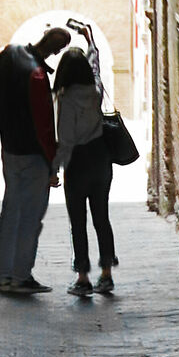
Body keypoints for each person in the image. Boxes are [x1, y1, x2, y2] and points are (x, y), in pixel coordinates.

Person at [0, 26, 70, 295]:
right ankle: (20, 275)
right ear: (56, 50)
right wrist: (52, 165)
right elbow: (44, 126)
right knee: (30, 216)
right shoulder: (38, 76)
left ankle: (4, 275)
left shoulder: (10, 53)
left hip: (10, 150)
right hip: (33, 156)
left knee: (10, 211)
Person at [52, 45, 118, 297]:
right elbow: (96, 70)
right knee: (102, 217)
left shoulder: (67, 99)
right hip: (100, 158)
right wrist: (92, 47)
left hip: (78, 163)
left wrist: (54, 169)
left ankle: (83, 278)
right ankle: (107, 274)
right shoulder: (96, 91)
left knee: (78, 222)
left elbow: (66, 139)